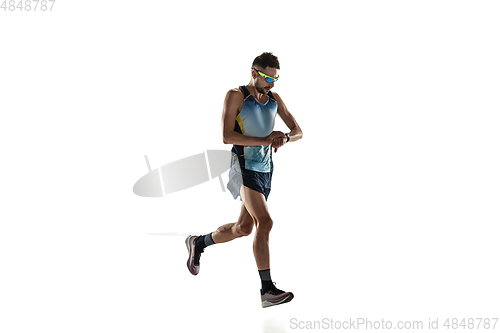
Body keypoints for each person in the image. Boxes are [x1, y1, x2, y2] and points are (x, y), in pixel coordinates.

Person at [185, 52, 303, 308]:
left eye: (275, 78)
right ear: (254, 73)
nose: (272, 84)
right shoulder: (236, 95)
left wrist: (284, 137)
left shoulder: (274, 99)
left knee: (244, 228)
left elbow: (298, 131)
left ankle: (198, 242)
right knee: (266, 221)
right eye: (268, 78)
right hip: (244, 166)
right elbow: (227, 136)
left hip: (266, 169)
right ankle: (267, 290)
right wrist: (266, 139)